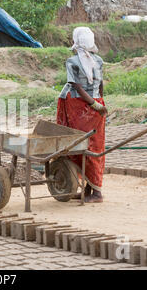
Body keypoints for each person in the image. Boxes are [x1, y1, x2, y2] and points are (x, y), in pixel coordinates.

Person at [56, 27, 108, 203]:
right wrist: (99, 104)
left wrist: (93, 104)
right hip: (96, 107)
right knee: (94, 146)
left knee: (81, 145)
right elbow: (100, 86)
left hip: (79, 108)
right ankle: (89, 189)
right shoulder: (98, 60)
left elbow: (76, 86)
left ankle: (96, 193)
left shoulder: (72, 61)